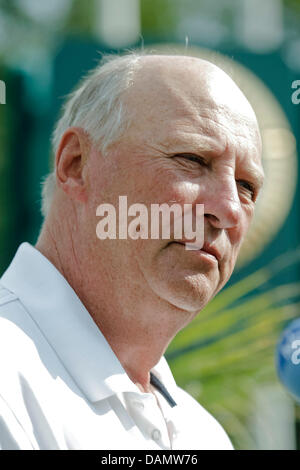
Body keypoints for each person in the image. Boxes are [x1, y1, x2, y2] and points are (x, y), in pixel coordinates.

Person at [0, 52, 264, 450]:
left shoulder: (204, 434)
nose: (228, 208)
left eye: (247, 187)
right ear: (76, 165)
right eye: (192, 159)